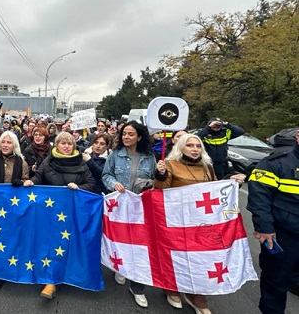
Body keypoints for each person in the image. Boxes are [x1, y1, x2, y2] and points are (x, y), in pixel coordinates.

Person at [154, 134, 245, 313]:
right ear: (181, 147)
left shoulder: (207, 167)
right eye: (190, 145)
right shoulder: (170, 165)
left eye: (197, 146)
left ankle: (197, 296)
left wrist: (231, 181)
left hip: (201, 222)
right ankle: (171, 288)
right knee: (176, 257)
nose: (195, 149)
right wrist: (161, 174)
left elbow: (215, 189)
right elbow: (161, 191)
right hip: (177, 221)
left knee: (200, 258)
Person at [23, 131, 95, 299]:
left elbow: (91, 184)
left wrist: (79, 188)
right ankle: (51, 281)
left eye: (70, 144)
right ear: (57, 145)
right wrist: (31, 182)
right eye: (63, 143)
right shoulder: (49, 161)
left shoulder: (82, 163)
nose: (66, 146)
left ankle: (67, 275)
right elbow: (39, 176)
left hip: (72, 212)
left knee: (68, 243)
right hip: (50, 212)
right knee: (51, 243)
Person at [102, 121, 156, 308]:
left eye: (130, 134)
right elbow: (106, 175)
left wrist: (161, 175)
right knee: (121, 238)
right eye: (124, 133)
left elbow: (155, 181)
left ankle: (137, 286)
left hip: (141, 207)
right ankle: (121, 266)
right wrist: (113, 184)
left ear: (139, 137)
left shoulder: (150, 157)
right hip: (120, 206)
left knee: (140, 243)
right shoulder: (115, 156)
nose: (126, 137)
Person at [247, 128, 299, 314]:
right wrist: (264, 228)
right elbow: (259, 198)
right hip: (283, 234)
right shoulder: (276, 163)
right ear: (298, 136)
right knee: (276, 281)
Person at [0, 101, 29, 291]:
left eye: (9, 142)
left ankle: (8, 269)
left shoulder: (21, 162)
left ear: (14, 144)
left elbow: (27, 183)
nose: (5, 145)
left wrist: (23, 182)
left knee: (9, 239)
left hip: (11, 208)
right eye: (3, 142)